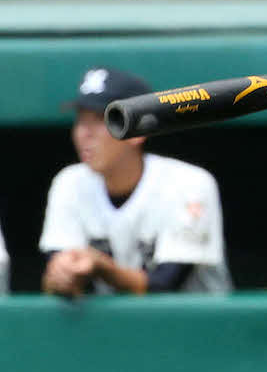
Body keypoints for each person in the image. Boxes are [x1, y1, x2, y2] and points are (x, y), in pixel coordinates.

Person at [40, 68, 231, 297]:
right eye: (81, 119)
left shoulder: (189, 184)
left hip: (199, 327)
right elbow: (58, 273)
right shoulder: (69, 183)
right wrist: (60, 278)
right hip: (112, 330)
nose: (85, 132)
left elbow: (164, 286)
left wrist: (101, 267)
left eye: (101, 119)